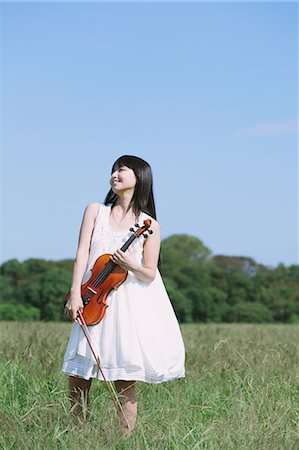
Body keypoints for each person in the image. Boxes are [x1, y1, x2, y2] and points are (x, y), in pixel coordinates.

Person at [62, 155, 186, 437]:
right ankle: (77, 433)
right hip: (92, 298)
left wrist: (131, 264)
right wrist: (74, 293)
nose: (115, 174)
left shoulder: (149, 225)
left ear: (139, 177)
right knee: (78, 375)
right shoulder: (95, 211)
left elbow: (149, 273)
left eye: (122, 170)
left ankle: (124, 439)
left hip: (127, 306)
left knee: (123, 378)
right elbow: (82, 253)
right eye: (113, 170)